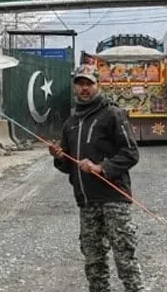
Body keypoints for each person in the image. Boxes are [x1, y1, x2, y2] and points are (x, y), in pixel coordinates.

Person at [49, 64, 145, 292]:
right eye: (80, 83)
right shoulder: (70, 123)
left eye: (89, 84)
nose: (84, 88)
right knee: (94, 263)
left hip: (114, 199)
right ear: (74, 87)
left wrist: (101, 168)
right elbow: (67, 167)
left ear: (97, 85)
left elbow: (131, 153)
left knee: (125, 259)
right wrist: (60, 157)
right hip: (87, 202)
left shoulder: (113, 114)